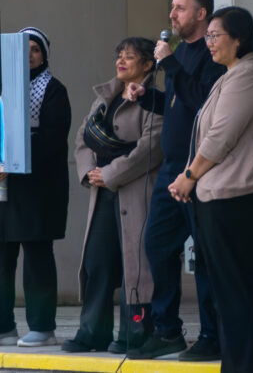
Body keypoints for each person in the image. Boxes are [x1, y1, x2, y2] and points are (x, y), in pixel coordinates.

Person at [168, 6, 253, 373]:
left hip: (239, 194)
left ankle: (245, 366)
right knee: (230, 289)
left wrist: (190, 174)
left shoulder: (248, 75)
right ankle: (240, 365)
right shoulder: (232, 74)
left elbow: (221, 136)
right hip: (223, 194)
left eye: (216, 36)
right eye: (208, 37)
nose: (209, 43)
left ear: (239, 38)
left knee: (236, 288)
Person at [125, 0, 225, 361]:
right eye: (172, 8)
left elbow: (203, 100)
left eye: (180, 9)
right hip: (171, 167)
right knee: (157, 243)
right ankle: (167, 331)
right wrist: (148, 96)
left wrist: (168, 64)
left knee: (204, 254)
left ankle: (212, 335)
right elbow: (180, 102)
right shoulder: (181, 52)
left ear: (202, 14)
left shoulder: (213, 54)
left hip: (201, 169)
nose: (172, 15)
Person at [63, 37, 163, 353]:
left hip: (135, 191)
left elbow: (152, 146)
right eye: (119, 55)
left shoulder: (154, 100)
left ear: (148, 64)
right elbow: (82, 139)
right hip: (101, 192)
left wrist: (109, 173)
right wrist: (90, 172)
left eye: (130, 57)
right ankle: (92, 331)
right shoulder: (106, 96)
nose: (121, 61)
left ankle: (134, 333)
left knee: (136, 265)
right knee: (97, 262)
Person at [0, 27, 71, 347]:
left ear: (44, 54)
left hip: (36, 187)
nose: (30, 54)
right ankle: (2, 324)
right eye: (25, 49)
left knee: (36, 257)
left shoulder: (54, 90)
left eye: (35, 49)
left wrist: (14, 162)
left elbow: (51, 140)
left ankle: (43, 326)